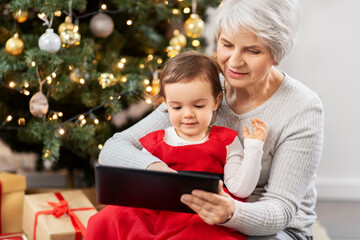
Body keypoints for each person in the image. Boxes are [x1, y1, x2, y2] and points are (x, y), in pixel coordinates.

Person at [93, 0, 324, 239]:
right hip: (196, 214)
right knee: (114, 220)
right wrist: (158, 171)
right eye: (227, 44)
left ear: (277, 54)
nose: (234, 61)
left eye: (252, 50)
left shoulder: (303, 108)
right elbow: (114, 149)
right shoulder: (203, 85)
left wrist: (231, 212)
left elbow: (281, 209)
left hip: (270, 228)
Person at [85, 51, 267, 240]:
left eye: (198, 106)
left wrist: (254, 148)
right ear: (166, 106)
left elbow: (241, 189)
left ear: (215, 101)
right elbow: (141, 184)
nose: (187, 114)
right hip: (158, 211)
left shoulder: (226, 139)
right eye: (177, 107)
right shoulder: (155, 140)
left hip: (201, 214)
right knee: (107, 218)